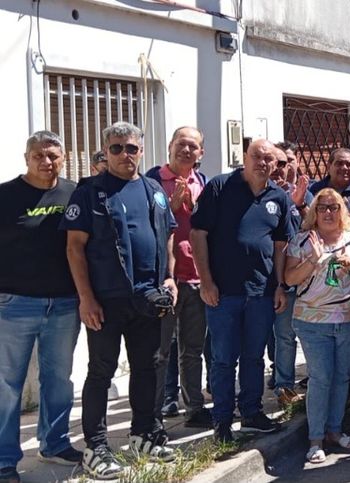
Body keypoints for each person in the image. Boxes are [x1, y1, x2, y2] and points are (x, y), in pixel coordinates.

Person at [63, 122, 179, 479]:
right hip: (106, 301)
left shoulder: (153, 189)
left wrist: (170, 277)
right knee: (101, 371)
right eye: (116, 148)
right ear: (106, 152)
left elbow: (168, 234)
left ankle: (144, 433)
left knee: (148, 367)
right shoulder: (90, 192)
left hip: (149, 299)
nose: (124, 154)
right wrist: (86, 298)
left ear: (141, 150)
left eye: (131, 148)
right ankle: (96, 447)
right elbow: (74, 248)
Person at [191, 139, 294, 443]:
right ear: (245, 157)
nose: (263, 163)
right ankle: (222, 420)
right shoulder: (220, 187)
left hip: (261, 292)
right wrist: (206, 281)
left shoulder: (278, 197)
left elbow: (281, 245)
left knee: (254, 357)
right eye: (257, 156)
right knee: (223, 359)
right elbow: (198, 234)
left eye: (269, 159)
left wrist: (279, 285)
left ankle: (251, 412)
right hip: (223, 292)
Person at [0, 131, 82, 481]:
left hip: (64, 304)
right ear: (26, 158)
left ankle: (55, 443)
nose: (46, 162)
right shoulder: (5, 195)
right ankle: (4, 459)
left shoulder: (75, 193)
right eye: (38, 155)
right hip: (14, 304)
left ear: (64, 158)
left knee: (59, 380)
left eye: (53, 156)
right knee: (7, 385)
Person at [283, 189, 350, 463]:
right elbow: (289, 278)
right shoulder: (302, 240)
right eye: (322, 207)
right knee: (321, 377)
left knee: (342, 377)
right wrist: (313, 259)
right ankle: (315, 439)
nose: (327, 212)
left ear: (341, 210)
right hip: (312, 321)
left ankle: (335, 430)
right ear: (314, 211)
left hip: (349, 319)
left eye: (334, 207)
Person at [145, 127, 213, 428]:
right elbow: (144, 225)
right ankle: (153, 415)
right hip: (165, 280)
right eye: (181, 144)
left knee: (192, 350)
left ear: (201, 153)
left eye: (193, 146)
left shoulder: (203, 182)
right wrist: (170, 209)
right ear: (170, 146)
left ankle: (194, 408)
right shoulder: (152, 181)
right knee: (159, 352)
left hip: (196, 278)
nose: (186, 150)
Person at [268, 144, 310, 407]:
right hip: (263, 280)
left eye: (283, 163)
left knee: (287, 336)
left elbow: (312, 226)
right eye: (275, 162)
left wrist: (300, 204)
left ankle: (286, 386)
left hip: (293, 279)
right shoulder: (257, 193)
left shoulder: (302, 193)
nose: (278, 169)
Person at [309, 148, 350, 224]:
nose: (344, 168)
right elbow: (307, 219)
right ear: (329, 167)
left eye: (349, 164)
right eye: (339, 163)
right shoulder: (314, 190)